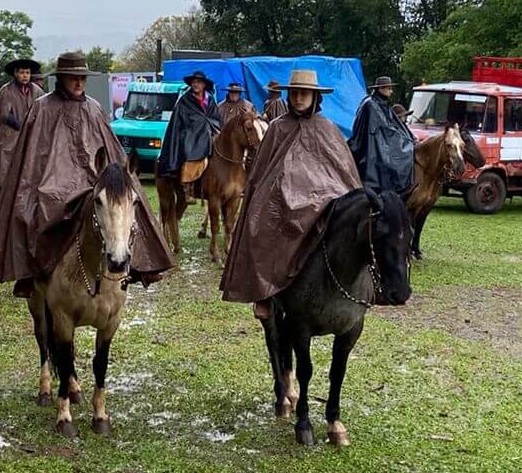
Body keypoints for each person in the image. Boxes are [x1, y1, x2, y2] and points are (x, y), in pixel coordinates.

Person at [0, 52, 172, 292]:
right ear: (61, 78)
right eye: (73, 77)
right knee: (31, 210)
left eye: (82, 78)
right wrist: (48, 183)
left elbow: (109, 148)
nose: (79, 83)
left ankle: (142, 267)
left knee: (130, 201)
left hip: (94, 178)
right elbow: (31, 159)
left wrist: (114, 177)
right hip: (53, 184)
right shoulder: (42, 108)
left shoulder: (94, 108)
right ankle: (32, 275)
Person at [220, 68, 361, 319]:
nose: (298, 98)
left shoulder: (327, 128)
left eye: (304, 94)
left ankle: (364, 286)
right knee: (259, 217)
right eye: (294, 93)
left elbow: (343, 171)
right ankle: (265, 293)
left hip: (325, 194)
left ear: (314, 97)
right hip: (281, 196)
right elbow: (262, 170)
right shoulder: (276, 127)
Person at [0, 56, 44, 216]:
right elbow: (5, 115)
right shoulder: (6, 90)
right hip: (11, 136)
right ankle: (3, 201)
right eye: (22, 72)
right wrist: (23, 126)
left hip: (32, 135)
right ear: (15, 74)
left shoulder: (37, 91)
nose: (25, 75)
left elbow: (42, 111)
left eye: (27, 72)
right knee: (5, 159)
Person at [349, 75, 415, 195]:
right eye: (388, 88)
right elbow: (384, 128)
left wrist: (407, 137)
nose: (391, 91)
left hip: (378, 142)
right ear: (380, 89)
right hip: (370, 147)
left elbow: (392, 125)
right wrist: (404, 140)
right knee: (402, 155)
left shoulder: (382, 104)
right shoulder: (371, 104)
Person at [155, 70, 221, 189]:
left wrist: (211, 127)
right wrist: (195, 128)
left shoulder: (210, 99)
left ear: (204, 84)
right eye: (194, 82)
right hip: (190, 134)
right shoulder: (185, 100)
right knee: (191, 147)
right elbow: (179, 121)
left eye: (198, 82)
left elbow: (215, 118)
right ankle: (187, 183)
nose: (195, 84)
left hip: (210, 132)